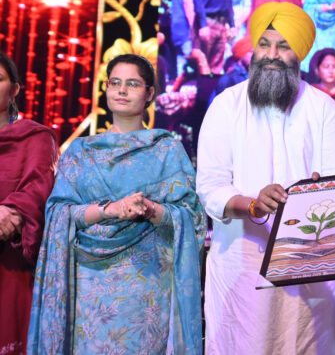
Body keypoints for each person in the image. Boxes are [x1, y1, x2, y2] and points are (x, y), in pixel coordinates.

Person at [196, 2, 335, 354]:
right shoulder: (226, 105)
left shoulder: (325, 110)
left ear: (299, 54)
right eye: (264, 44)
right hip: (240, 262)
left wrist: (320, 194)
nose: (271, 55)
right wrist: (253, 204)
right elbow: (210, 186)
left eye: (283, 46)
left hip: (311, 268)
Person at [27, 54, 206, 355]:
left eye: (133, 84)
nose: (122, 90)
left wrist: (149, 209)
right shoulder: (80, 151)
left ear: (149, 94)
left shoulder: (166, 150)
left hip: (147, 286)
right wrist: (110, 210)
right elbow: (59, 213)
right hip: (89, 284)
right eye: (115, 83)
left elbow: (192, 217)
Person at [0, 53, 57, 355]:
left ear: (14, 89)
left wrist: (10, 212)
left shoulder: (35, 137)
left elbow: (39, 187)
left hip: (10, 261)